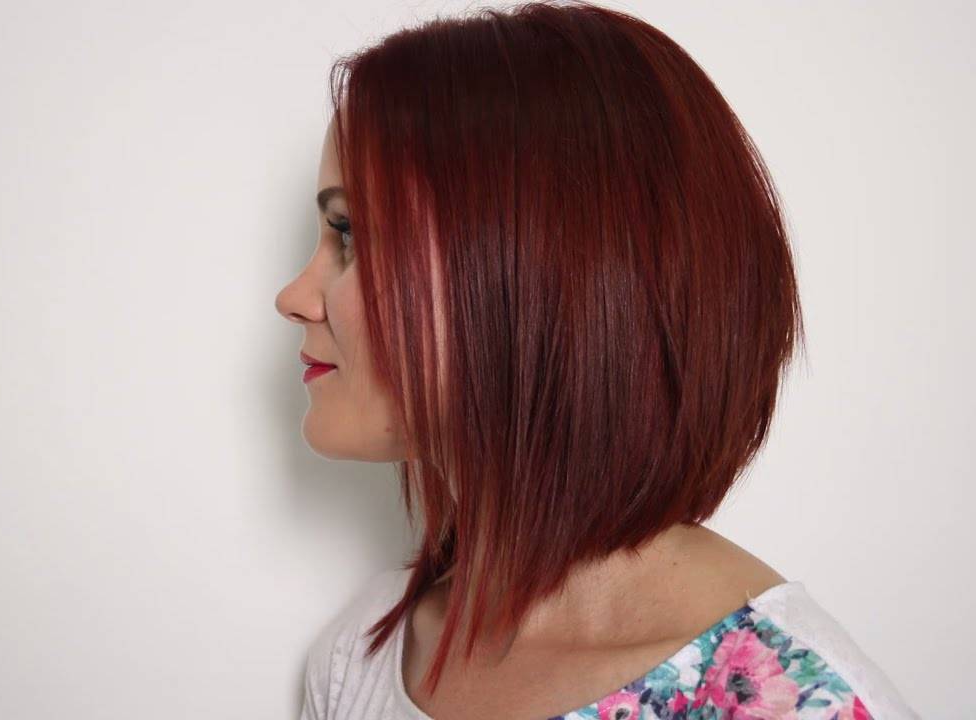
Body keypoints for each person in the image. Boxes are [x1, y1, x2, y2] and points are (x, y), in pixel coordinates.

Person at [276, 2, 920, 718]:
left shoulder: (798, 704)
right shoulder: (361, 657)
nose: (293, 297)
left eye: (349, 233)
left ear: (533, 269)